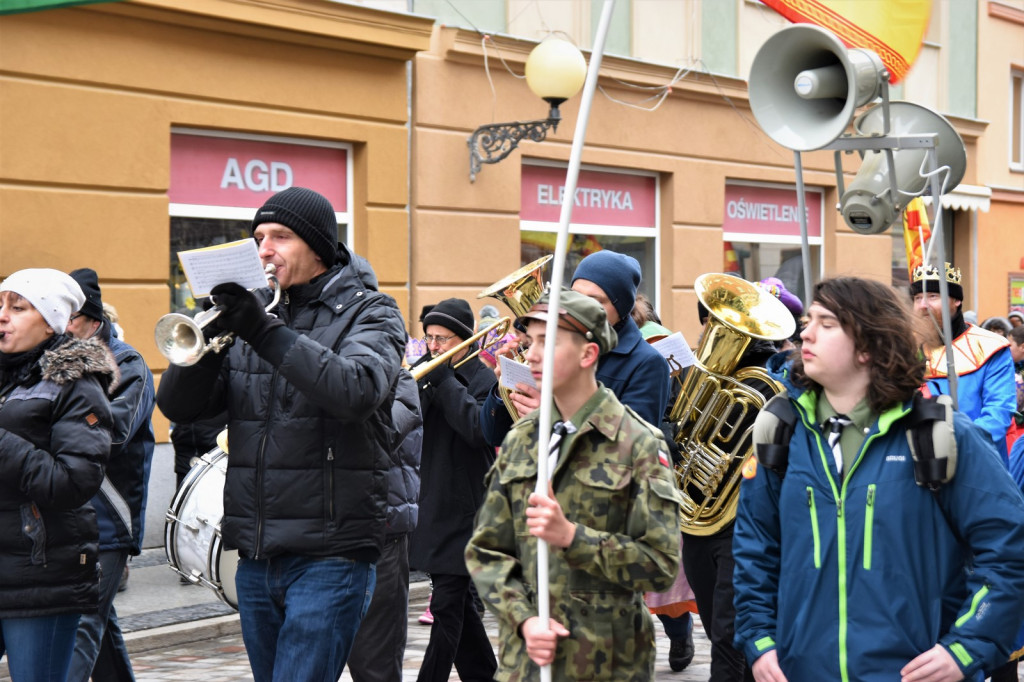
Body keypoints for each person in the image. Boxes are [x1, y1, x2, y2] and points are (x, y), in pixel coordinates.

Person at [156, 186, 407, 682]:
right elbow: (180, 408)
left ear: (318, 247)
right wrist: (206, 341)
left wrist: (262, 331)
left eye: (280, 236)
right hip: (256, 554)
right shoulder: (255, 319)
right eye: (258, 238)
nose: (264, 249)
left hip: (331, 554)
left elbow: (355, 391)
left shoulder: (373, 313)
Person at [734, 276, 1024, 682]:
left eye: (827, 323)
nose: (806, 332)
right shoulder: (781, 432)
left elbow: (1009, 549)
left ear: (869, 347)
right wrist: (759, 641)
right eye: (809, 320)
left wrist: (967, 647)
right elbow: (754, 549)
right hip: (802, 670)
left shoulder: (942, 435)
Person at [466, 289, 683, 680]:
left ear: (588, 355)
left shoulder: (638, 444)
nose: (530, 354)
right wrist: (525, 621)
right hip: (527, 664)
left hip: (606, 664)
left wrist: (571, 537)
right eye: (529, 341)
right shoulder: (522, 439)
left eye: (547, 343)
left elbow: (660, 565)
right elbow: (486, 551)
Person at [0, 268, 116, 681]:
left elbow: (72, 483)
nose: (2, 315)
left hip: (39, 572)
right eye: (0, 304)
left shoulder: (77, 385)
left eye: (18, 307)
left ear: (50, 322)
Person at [65, 268, 156, 682]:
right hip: (61, 516)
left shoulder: (126, 361)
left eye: (68, 316)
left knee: (80, 626)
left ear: (92, 321)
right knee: (96, 627)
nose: (58, 325)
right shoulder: (45, 360)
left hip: (107, 519)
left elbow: (113, 434)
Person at [481, 250, 671, 447]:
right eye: (576, 296)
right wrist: (507, 385)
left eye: (596, 301)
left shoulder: (647, 363)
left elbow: (631, 450)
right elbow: (494, 434)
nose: (582, 307)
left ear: (621, 307)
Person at [408, 298, 498, 682]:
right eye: (429, 337)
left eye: (442, 338)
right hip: (431, 501)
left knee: (446, 605)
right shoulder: (424, 372)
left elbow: (478, 430)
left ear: (464, 340)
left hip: (467, 509)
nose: (434, 346)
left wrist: (444, 379)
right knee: (457, 605)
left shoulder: (484, 379)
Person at [347, 367, 423, 682]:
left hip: (383, 534)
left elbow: (380, 434)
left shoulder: (400, 381)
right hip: (328, 535)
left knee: (374, 662)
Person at [912, 262, 1016, 456]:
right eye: (918, 298)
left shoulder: (990, 347)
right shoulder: (905, 346)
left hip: (975, 459)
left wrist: (950, 444)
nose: (923, 305)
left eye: (933, 296)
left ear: (956, 301)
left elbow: (998, 413)